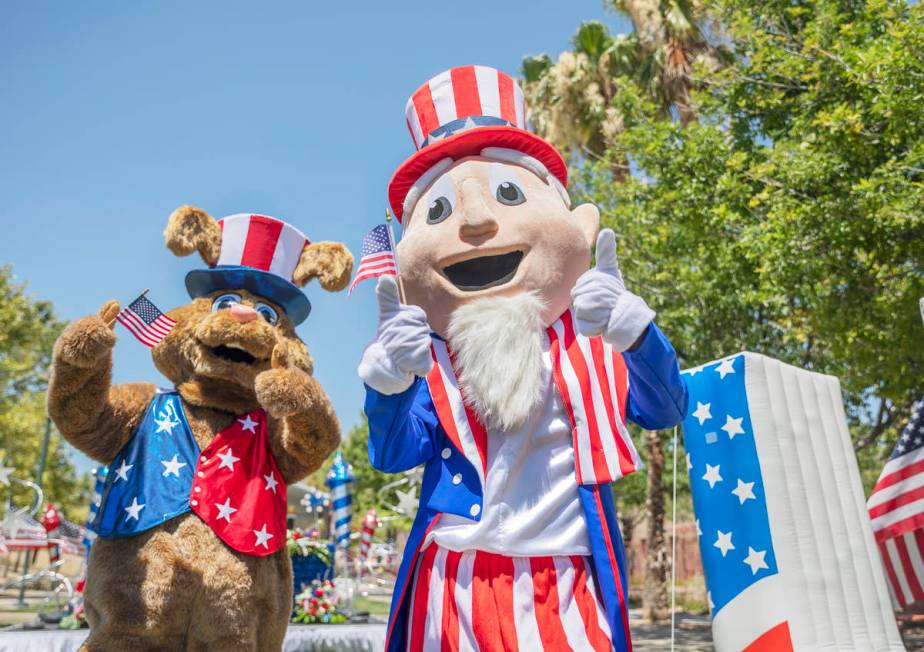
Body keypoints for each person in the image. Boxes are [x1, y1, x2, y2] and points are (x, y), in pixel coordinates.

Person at [359, 65, 688, 651]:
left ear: (577, 224)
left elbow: (665, 408)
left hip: (564, 580)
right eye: (438, 214)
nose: (477, 220)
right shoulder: (431, 358)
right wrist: (389, 382)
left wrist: (635, 333)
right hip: (453, 581)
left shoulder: (591, 339)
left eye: (508, 194)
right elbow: (391, 453)